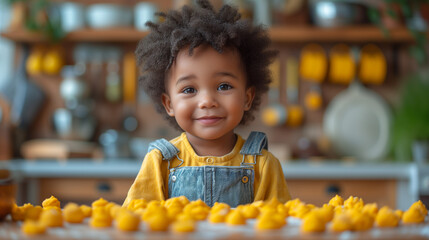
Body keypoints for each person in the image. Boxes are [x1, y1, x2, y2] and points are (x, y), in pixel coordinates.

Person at [123, 0, 290, 207]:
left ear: (247, 98)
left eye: (223, 86)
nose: (207, 101)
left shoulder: (264, 165)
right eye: (189, 90)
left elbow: (280, 224)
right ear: (169, 104)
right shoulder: (160, 162)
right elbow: (135, 221)